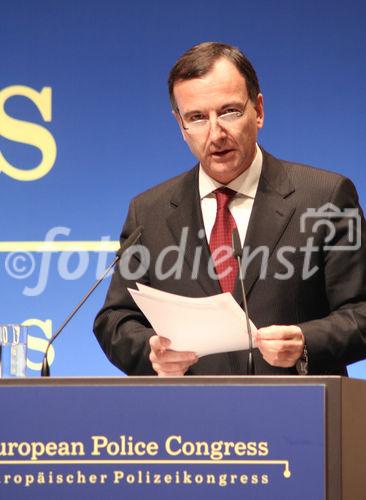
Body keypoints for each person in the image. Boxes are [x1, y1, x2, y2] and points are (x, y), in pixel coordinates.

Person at [93, 42, 366, 377]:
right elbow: (115, 320)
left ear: (259, 111)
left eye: (229, 112)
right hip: (190, 422)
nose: (215, 133)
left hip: (299, 415)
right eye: (197, 118)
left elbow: (361, 312)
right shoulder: (148, 212)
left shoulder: (325, 197)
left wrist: (305, 341)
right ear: (181, 126)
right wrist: (151, 351)